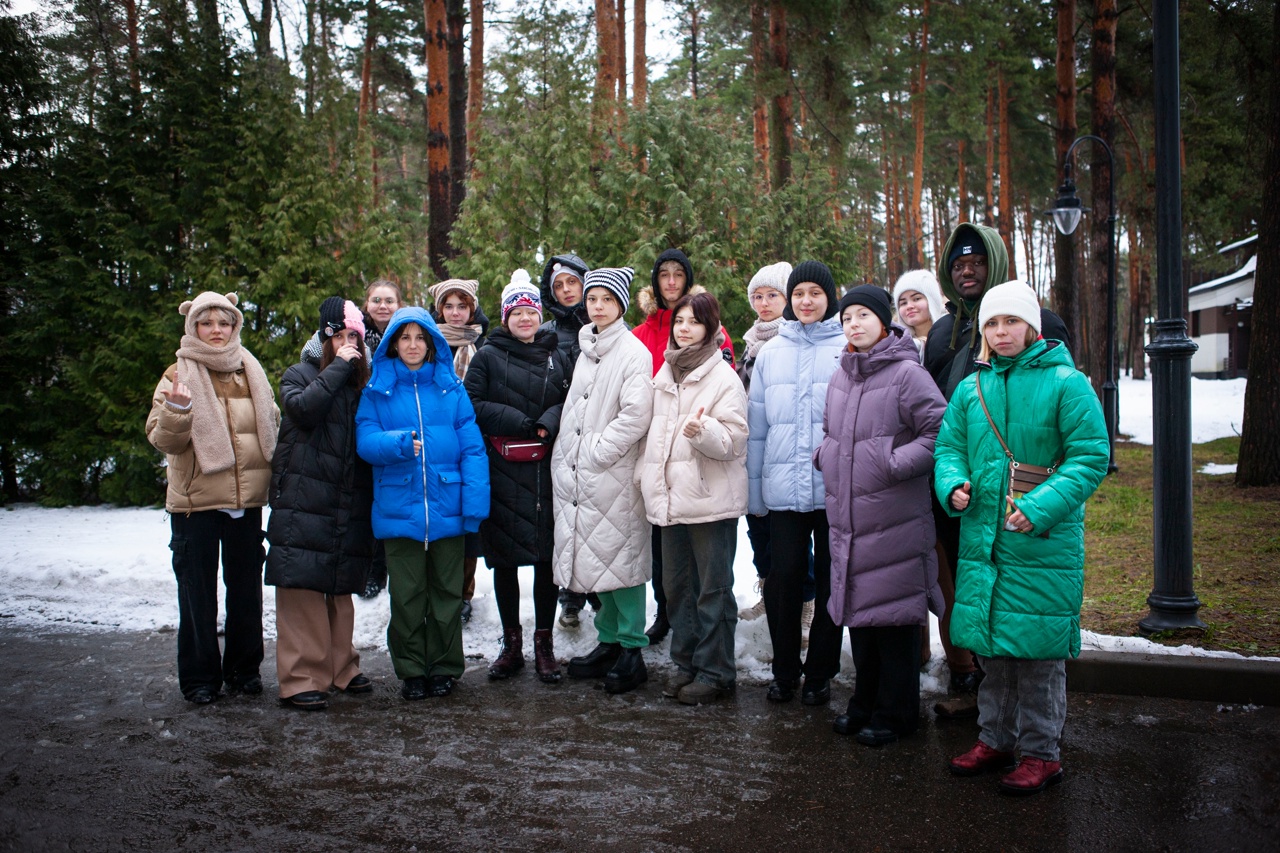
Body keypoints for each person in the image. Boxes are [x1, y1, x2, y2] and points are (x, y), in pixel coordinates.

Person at [935, 280, 1107, 795]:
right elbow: (949, 448)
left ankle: (1041, 753)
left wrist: (1038, 507)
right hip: (984, 542)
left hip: (1040, 543)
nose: (1001, 331)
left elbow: (1090, 457)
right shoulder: (972, 388)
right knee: (994, 651)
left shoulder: (1067, 384)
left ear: (1031, 326)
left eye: (1011, 321)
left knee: (1037, 658)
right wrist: (952, 484)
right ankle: (995, 739)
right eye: (992, 323)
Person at [923, 222, 1074, 719]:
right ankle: (975, 685)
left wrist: (1041, 492)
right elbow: (941, 419)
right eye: (958, 265)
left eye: (977, 263)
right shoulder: (943, 331)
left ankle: (1028, 716)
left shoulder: (1043, 323)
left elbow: (1064, 421)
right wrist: (948, 478)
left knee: (1015, 594)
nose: (967, 272)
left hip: (1020, 494)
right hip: (960, 489)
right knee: (965, 583)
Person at [815, 285, 946, 745]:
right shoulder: (842, 374)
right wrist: (825, 455)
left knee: (894, 620)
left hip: (894, 517)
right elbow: (830, 431)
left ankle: (897, 713)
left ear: (884, 321)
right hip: (850, 518)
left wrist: (892, 463)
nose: (854, 324)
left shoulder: (907, 373)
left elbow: (940, 431)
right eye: (847, 317)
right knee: (862, 618)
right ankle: (865, 703)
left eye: (863, 315)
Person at [146, 291, 279, 705]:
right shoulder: (177, 374)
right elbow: (162, 439)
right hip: (195, 504)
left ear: (234, 325)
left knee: (246, 594)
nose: (216, 331)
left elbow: (272, 424)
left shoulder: (250, 370)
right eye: (207, 323)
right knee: (197, 596)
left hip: (246, 502)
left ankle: (244, 671)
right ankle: (200, 679)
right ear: (194, 326)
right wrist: (177, 412)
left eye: (224, 322)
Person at [355, 306, 489, 700]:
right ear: (393, 344)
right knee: (407, 595)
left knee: (448, 594)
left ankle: (445, 667)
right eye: (405, 337)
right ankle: (412, 669)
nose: (412, 345)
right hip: (399, 509)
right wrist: (396, 444)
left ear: (431, 344)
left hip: (448, 505)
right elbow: (365, 441)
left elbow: (473, 449)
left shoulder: (451, 388)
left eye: (420, 338)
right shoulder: (377, 390)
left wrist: (474, 504)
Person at [265, 298, 375, 711]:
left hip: (346, 499)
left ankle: (340, 667)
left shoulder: (362, 386)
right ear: (325, 338)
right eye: (341, 336)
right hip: (304, 499)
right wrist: (339, 368)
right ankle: (300, 678)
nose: (349, 345)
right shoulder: (300, 374)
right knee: (303, 586)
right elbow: (303, 410)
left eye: (355, 338)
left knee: (339, 587)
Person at [639, 292, 748, 705]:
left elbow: (735, 441)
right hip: (670, 499)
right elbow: (654, 438)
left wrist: (703, 432)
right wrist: (644, 477)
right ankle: (686, 664)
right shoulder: (665, 373)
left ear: (710, 327)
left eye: (694, 322)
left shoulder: (723, 377)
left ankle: (716, 671)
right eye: (679, 321)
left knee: (712, 590)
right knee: (677, 588)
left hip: (709, 501)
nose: (684, 328)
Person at [747, 261, 846, 706]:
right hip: (784, 489)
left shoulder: (847, 348)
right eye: (800, 293)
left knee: (830, 581)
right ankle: (784, 671)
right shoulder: (772, 352)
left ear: (829, 298)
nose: (806, 301)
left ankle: (820, 672)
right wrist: (755, 494)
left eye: (815, 293)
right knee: (782, 579)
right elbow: (758, 428)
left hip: (833, 490)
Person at [553, 268, 655, 695]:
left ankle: (632, 649)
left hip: (612, 474)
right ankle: (609, 641)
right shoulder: (587, 349)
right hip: (583, 475)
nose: (597, 306)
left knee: (623, 563)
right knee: (599, 561)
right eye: (592, 299)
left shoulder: (633, 352)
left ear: (621, 305)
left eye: (607, 300)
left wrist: (596, 451)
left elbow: (635, 415)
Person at [465, 276, 571, 683]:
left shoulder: (557, 353)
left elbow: (571, 400)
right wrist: (519, 422)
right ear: (506, 317)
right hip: (502, 469)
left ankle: (544, 646)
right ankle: (511, 646)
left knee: (545, 560)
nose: (525, 318)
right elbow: (472, 404)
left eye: (531, 311)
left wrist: (547, 421)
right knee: (505, 561)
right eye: (517, 312)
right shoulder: (487, 356)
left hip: (546, 470)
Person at [632, 248, 735, 645]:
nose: (671, 281)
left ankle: (711, 659)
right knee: (669, 565)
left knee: (707, 575)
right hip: (659, 467)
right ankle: (673, 627)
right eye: (664, 274)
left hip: (701, 476)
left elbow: (727, 419)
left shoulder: (715, 346)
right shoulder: (641, 335)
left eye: (679, 274)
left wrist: (703, 429)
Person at [735, 261, 816, 640]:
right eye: (757, 296)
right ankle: (769, 592)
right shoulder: (750, 342)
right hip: (752, 452)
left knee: (792, 538)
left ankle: (806, 601)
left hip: (786, 454)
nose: (764, 303)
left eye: (772, 295)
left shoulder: (796, 339)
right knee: (758, 530)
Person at [537, 253, 600, 628]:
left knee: (598, 517)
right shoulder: (546, 332)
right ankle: (571, 596)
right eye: (558, 285)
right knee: (566, 518)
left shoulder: (603, 323)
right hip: (561, 434)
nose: (565, 290)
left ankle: (601, 594)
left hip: (599, 435)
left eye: (572, 282)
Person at [428, 277, 490, 624]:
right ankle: (437, 589)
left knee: (468, 522)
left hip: (470, 441)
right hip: (434, 441)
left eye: (462, 306)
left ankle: (464, 593)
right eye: (448, 306)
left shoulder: (482, 345)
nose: (455, 313)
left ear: (472, 309)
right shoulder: (426, 343)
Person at [892, 269, 946, 355]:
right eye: (903, 303)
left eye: (916, 299)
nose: (909, 306)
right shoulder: (894, 345)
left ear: (933, 300)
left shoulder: (953, 333)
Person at [362, 279, 403, 354]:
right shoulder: (354, 335)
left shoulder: (408, 333)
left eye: (389, 301)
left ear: (399, 305)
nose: (382, 306)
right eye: (376, 301)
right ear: (367, 304)